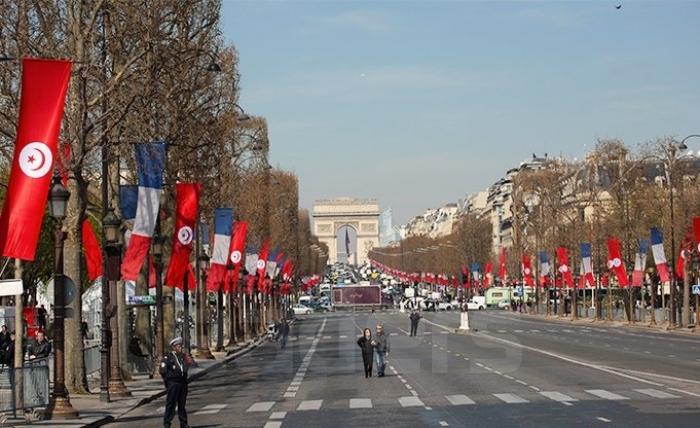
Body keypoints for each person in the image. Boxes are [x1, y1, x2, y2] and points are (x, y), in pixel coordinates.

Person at [160, 337, 192, 428]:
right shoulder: (168, 357)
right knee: (171, 404)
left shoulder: (183, 356)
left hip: (182, 383)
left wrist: (189, 362)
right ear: (173, 347)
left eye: (181, 346)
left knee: (182, 404)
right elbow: (163, 371)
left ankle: (184, 423)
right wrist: (168, 382)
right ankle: (167, 423)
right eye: (178, 346)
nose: (180, 348)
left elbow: (187, 367)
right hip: (173, 383)